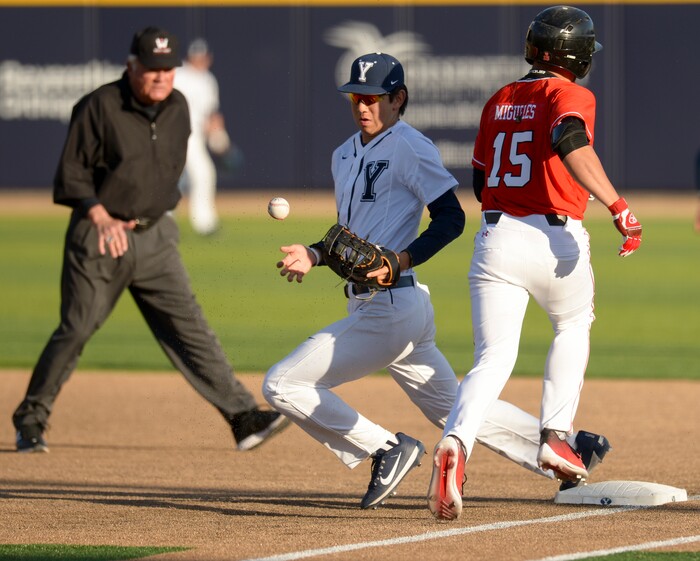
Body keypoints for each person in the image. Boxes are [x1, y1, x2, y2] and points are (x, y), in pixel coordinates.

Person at [263, 52, 610, 511]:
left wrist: (401, 260)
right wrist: (314, 254)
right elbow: (354, 240)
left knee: (281, 384)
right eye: (356, 98)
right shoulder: (342, 154)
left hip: (391, 307)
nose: (362, 106)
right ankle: (571, 450)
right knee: (456, 411)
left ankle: (384, 448)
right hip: (382, 307)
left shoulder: (411, 146)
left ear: (398, 98)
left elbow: (450, 218)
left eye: (373, 98)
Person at [12, 26, 288, 454]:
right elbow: (70, 176)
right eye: (152, 69)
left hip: (157, 236)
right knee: (77, 328)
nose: (161, 77)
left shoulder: (177, 107)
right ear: (132, 66)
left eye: (168, 68)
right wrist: (102, 216)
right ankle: (30, 419)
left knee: (190, 327)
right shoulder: (99, 106)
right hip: (101, 235)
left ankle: (243, 417)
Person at [428, 5, 642, 521]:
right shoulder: (571, 93)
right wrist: (618, 206)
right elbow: (569, 140)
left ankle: (456, 441)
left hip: (496, 236)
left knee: (493, 357)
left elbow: (480, 182)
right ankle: (554, 437)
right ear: (576, 54)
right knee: (571, 327)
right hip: (554, 237)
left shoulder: (500, 98)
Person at [174, 38, 229, 236]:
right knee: (195, 175)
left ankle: (203, 223)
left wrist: (218, 134)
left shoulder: (208, 79)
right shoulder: (178, 74)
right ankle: (202, 224)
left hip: (195, 136)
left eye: (202, 57)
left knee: (201, 175)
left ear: (208, 58)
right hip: (176, 132)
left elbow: (211, 113)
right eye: (196, 56)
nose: (199, 60)